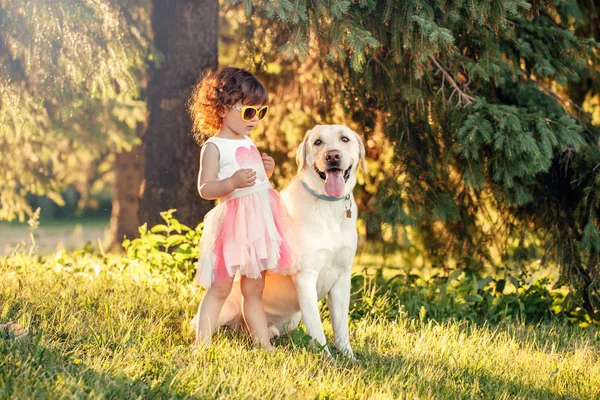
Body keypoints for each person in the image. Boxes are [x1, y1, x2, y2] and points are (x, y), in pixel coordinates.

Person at [188, 67, 299, 350]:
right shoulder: (214, 147)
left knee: (254, 290)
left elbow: (255, 185)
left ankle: (264, 345)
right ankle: (201, 345)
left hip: (259, 224)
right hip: (232, 228)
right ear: (223, 109)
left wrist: (266, 172)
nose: (256, 120)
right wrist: (231, 182)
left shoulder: (247, 141)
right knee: (220, 287)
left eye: (261, 113)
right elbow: (205, 188)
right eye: (250, 112)